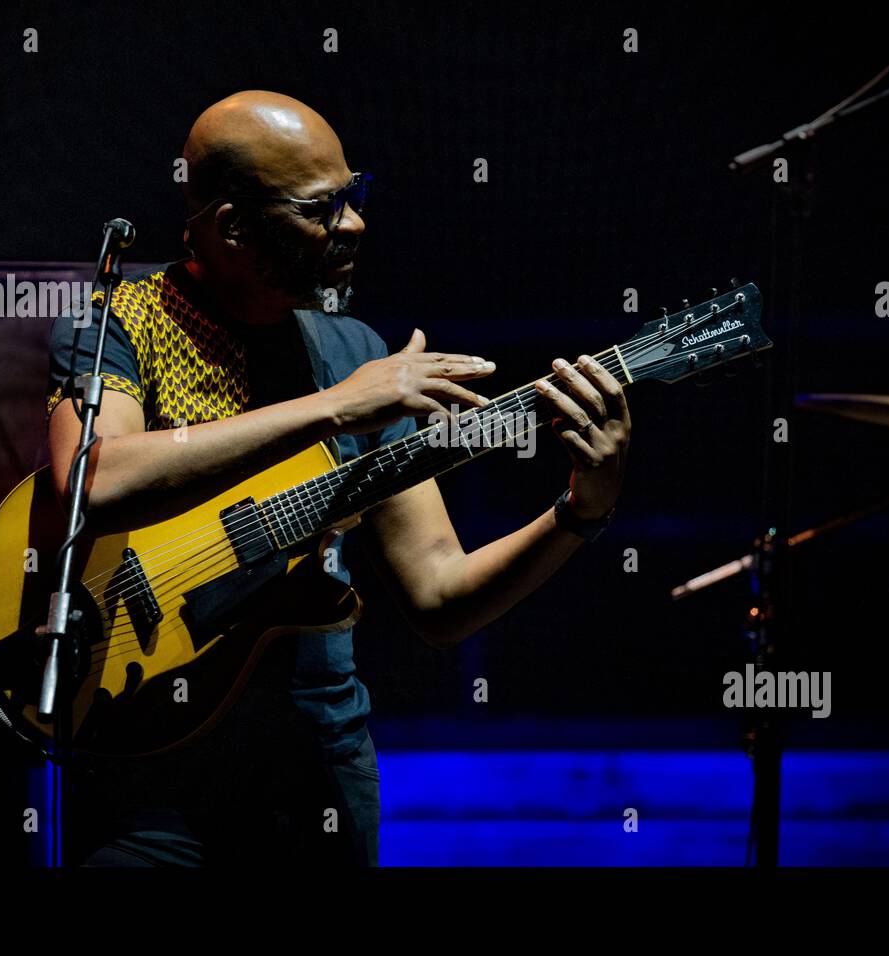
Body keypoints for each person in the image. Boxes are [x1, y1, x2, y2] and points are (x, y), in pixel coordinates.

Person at [45, 90, 631, 866]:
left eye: (354, 196)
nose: (353, 224)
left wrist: (580, 512)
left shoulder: (356, 351)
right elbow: (97, 480)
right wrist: (336, 408)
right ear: (232, 227)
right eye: (320, 208)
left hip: (314, 767)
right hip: (144, 765)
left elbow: (440, 597)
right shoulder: (122, 321)